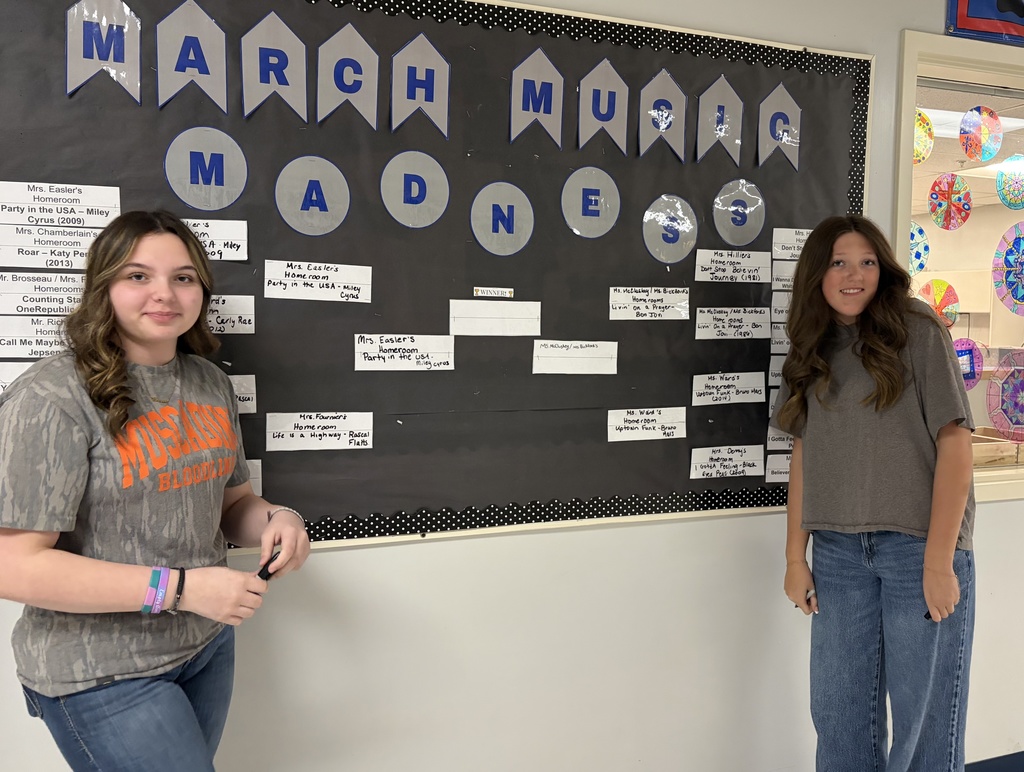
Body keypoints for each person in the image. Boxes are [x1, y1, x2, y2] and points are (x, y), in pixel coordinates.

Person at [0, 210, 311, 771]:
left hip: (205, 647)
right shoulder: (51, 397)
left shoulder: (210, 383)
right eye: (138, 275)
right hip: (100, 672)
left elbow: (233, 504)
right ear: (104, 287)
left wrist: (276, 518)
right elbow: (12, 566)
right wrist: (183, 589)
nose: (164, 293)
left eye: (183, 277)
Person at [770, 214, 975, 771]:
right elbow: (805, 454)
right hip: (838, 554)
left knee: (924, 727)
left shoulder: (917, 329)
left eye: (866, 262)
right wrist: (795, 557)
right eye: (839, 262)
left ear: (883, 269)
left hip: (917, 549)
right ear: (817, 273)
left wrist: (939, 561)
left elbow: (956, 444)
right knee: (839, 719)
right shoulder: (811, 346)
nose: (854, 275)